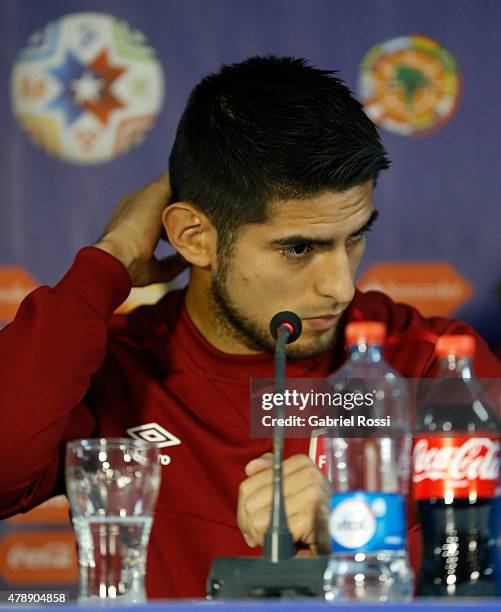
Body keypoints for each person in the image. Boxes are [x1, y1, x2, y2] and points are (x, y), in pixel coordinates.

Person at [0, 56, 499, 599]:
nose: (341, 286)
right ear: (194, 236)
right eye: (300, 248)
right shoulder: (112, 367)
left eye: (354, 238)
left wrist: (358, 533)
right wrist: (109, 260)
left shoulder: (435, 365)